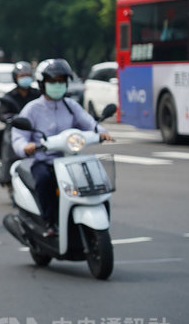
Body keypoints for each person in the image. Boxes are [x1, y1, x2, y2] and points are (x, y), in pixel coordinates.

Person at [11, 59, 114, 238]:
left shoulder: (71, 105)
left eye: (61, 81)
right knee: (44, 181)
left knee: (94, 181)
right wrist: (25, 146)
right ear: (43, 84)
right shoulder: (32, 109)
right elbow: (19, 136)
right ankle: (49, 222)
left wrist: (102, 133)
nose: (57, 85)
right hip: (44, 160)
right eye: (53, 81)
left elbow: (89, 123)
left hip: (71, 161)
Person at [0, 61, 42, 156]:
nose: (25, 78)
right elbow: (2, 114)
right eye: (22, 76)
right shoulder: (8, 97)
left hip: (36, 128)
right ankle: (3, 160)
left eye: (27, 75)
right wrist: (15, 119)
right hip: (15, 129)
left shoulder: (38, 94)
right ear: (15, 78)